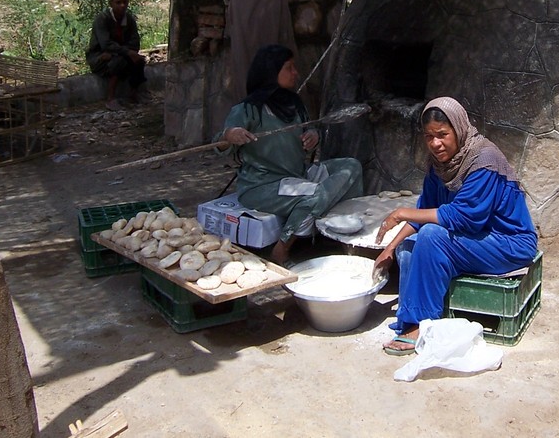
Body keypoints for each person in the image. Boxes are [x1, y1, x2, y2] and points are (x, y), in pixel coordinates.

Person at [374, 96, 539, 356]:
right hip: (475, 240)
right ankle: (409, 318)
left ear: (458, 129)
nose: (436, 143)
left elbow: (464, 218)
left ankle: (421, 324)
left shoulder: (484, 160)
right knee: (409, 247)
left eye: (442, 134)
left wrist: (401, 213)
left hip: (509, 243)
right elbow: (423, 211)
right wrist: (391, 248)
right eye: (429, 136)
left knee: (431, 236)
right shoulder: (439, 166)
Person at [219, 45, 364, 265]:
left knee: (351, 167)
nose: (295, 73)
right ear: (271, 72)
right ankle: (282, 248)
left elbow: (307, 131)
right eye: (289, 68)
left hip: (298, 176)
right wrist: (230, 135)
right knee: (316, 195)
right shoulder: (248, 109)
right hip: (263, 186)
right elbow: (220, 143)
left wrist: (313, 135)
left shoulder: (294, 104)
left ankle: (333, 232)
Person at [86, 0, 147, 110]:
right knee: (119, 62)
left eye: (125, 2)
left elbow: (135, 42)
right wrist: (127, 52)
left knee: (139, 61)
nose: (122, 5)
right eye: (118, 2)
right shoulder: (102, 19)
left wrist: (128, 52)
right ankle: (110, 98)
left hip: (119, 54)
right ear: (111, 4)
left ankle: (134, 94)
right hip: (99, 57)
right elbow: (105, 44)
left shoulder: (129, 20)